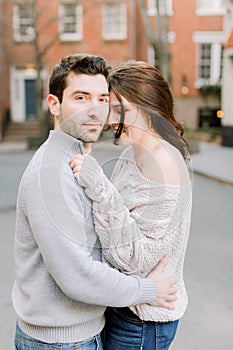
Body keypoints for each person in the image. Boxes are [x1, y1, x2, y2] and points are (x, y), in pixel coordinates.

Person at [12, 55, 177, 350]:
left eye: (103, 99)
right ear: (54, 105)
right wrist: (149, 289)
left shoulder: (74, 160)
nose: (95, 111)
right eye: (80, 97)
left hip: (78, 334)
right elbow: (78, 276)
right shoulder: (51, 175)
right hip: (61, 342)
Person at [70, 60, 193, 350]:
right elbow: (108, 225)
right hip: (124, 303)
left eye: (117, 109)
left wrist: (98, 186)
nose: (109, 120)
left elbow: (136, 260)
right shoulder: (130, 154)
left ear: (146, 105)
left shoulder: (164, 163)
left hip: (142, 320)